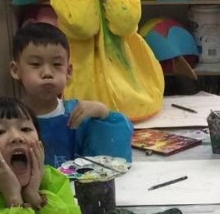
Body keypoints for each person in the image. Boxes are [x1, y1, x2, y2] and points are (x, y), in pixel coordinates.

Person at [9, 20, 134, 167]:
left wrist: (103, 114)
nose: (47, 73)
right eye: (36, 64)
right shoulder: (7, 120)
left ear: (68, 72)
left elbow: (111, 164)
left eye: (57, 64)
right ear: (16, 70)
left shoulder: (78, 115)